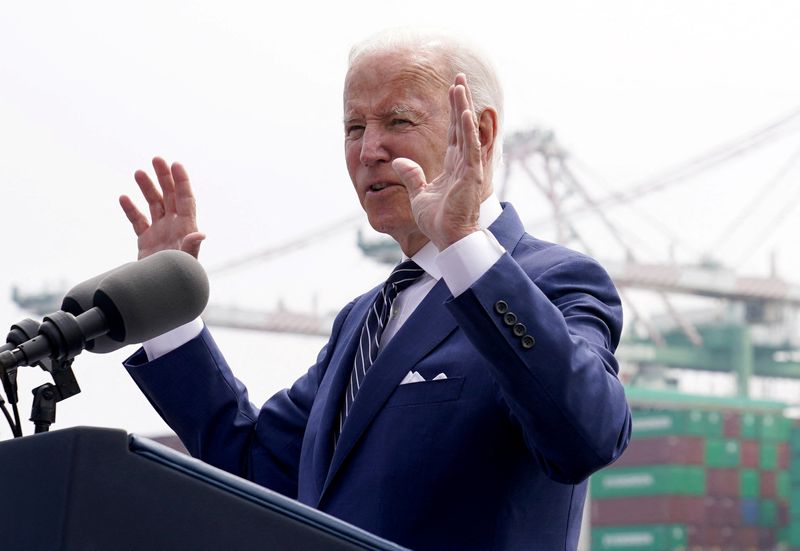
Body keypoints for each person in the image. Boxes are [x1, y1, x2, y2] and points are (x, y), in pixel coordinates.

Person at [119, 29, 631, 550]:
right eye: (354, 127)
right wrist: (168, 312)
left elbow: (587, 436)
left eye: (398, 121)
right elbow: (255, 467)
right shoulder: (362, 321)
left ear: (480, 131)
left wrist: (462, 243)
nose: (368, 150)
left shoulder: (556, 281)